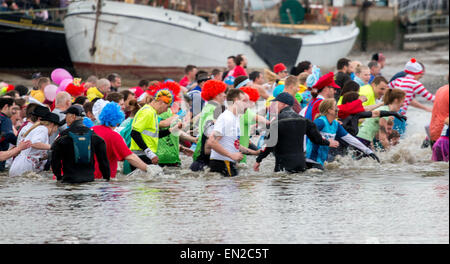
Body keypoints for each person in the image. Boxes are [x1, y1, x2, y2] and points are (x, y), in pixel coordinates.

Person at [254, 92, 338, 172]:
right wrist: (328, 142)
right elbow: (317, 139)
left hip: (282, 167)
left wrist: (258, 160)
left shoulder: (275, 121)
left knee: (281, 183)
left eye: (276, 103)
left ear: (284, 104)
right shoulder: (304, 120)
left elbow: (268, 145)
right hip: (300, 165)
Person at [306, 99, 379, 166]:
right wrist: (327, 141)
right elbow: (309, 132)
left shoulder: (335, 124)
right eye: (335, 107)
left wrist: (368, 151)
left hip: (321, 162)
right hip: (311, 160)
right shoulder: (320, 121)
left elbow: (350, 138)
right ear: (330, 110)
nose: (338, 109)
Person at [51, 105, 110, 183]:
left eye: (67, 116)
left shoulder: (63, 137)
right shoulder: (94, 136)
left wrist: (59, 177)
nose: (65, 119)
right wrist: (106, 179)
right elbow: (104, 162)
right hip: (89, 182)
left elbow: (55, 162)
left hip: (69, 181)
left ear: (73, 117)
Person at [208, 89, 259, 176]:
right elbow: (212, 141)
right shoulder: (227, 118)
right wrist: (231, 155)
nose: (247, 105)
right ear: (236, 101)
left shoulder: (236, 118)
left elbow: (234, 144)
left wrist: (255, 153)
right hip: (222, 163)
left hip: (228, 162)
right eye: (244, 101)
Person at [130, 82, 181, 170]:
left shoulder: (152, 113)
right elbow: (134, 133)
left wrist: (172, 130)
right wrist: (149, 152)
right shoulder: (147, 112)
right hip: (142, 155)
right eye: (167, 107)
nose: (166, 111)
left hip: (145, 155)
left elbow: (155, 135)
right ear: (161, 102)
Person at [92, 102, 149, 178]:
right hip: (104, 178)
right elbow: (130, 157)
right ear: (118, 119)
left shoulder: (91, 130)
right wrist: (148, 169)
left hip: (89, 175)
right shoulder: (114, 136)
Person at [9, 112, 62, 177]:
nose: (55, 130)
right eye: (56, 127)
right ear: (52, 124)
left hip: (23, 164)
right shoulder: (43, 129)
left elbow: (35, 151)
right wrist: (53, 147)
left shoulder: (40, 129)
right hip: (24, 165)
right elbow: (34, 143)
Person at [190, 80, 227, 171]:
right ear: (216, 94)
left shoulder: (208, 106)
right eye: (222, 92)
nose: (225, 95)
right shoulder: (215, 108)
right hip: (206, 157)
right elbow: (209, 124)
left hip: (201, 154)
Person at [239, 86, 270, 163]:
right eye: (253, 101)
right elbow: (261, 119)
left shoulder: (238, 111)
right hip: (239, 156)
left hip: (239, 151)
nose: (254, 104)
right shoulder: (246, 112)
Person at [0, 97, 18, 171]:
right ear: (6, 106)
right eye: (12, 108)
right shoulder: (5, 120)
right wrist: (18, 142)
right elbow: (7, 135)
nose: (14, 112)